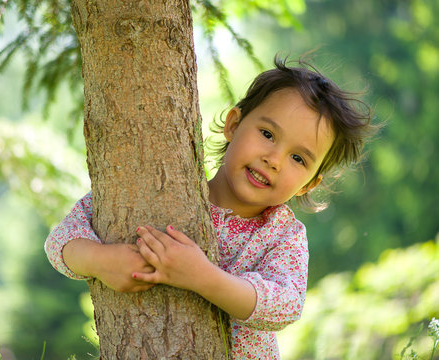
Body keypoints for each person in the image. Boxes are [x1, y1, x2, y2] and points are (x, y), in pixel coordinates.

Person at [44, 55, 377, 359]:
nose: (273, 160)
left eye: (297, 158)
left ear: (308, 183)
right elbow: (61, 239)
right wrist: (101, 261)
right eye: (267, 133)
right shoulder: (169, 189)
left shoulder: (281, 234)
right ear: (233, 124)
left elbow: (285, 305)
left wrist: (202, 277)